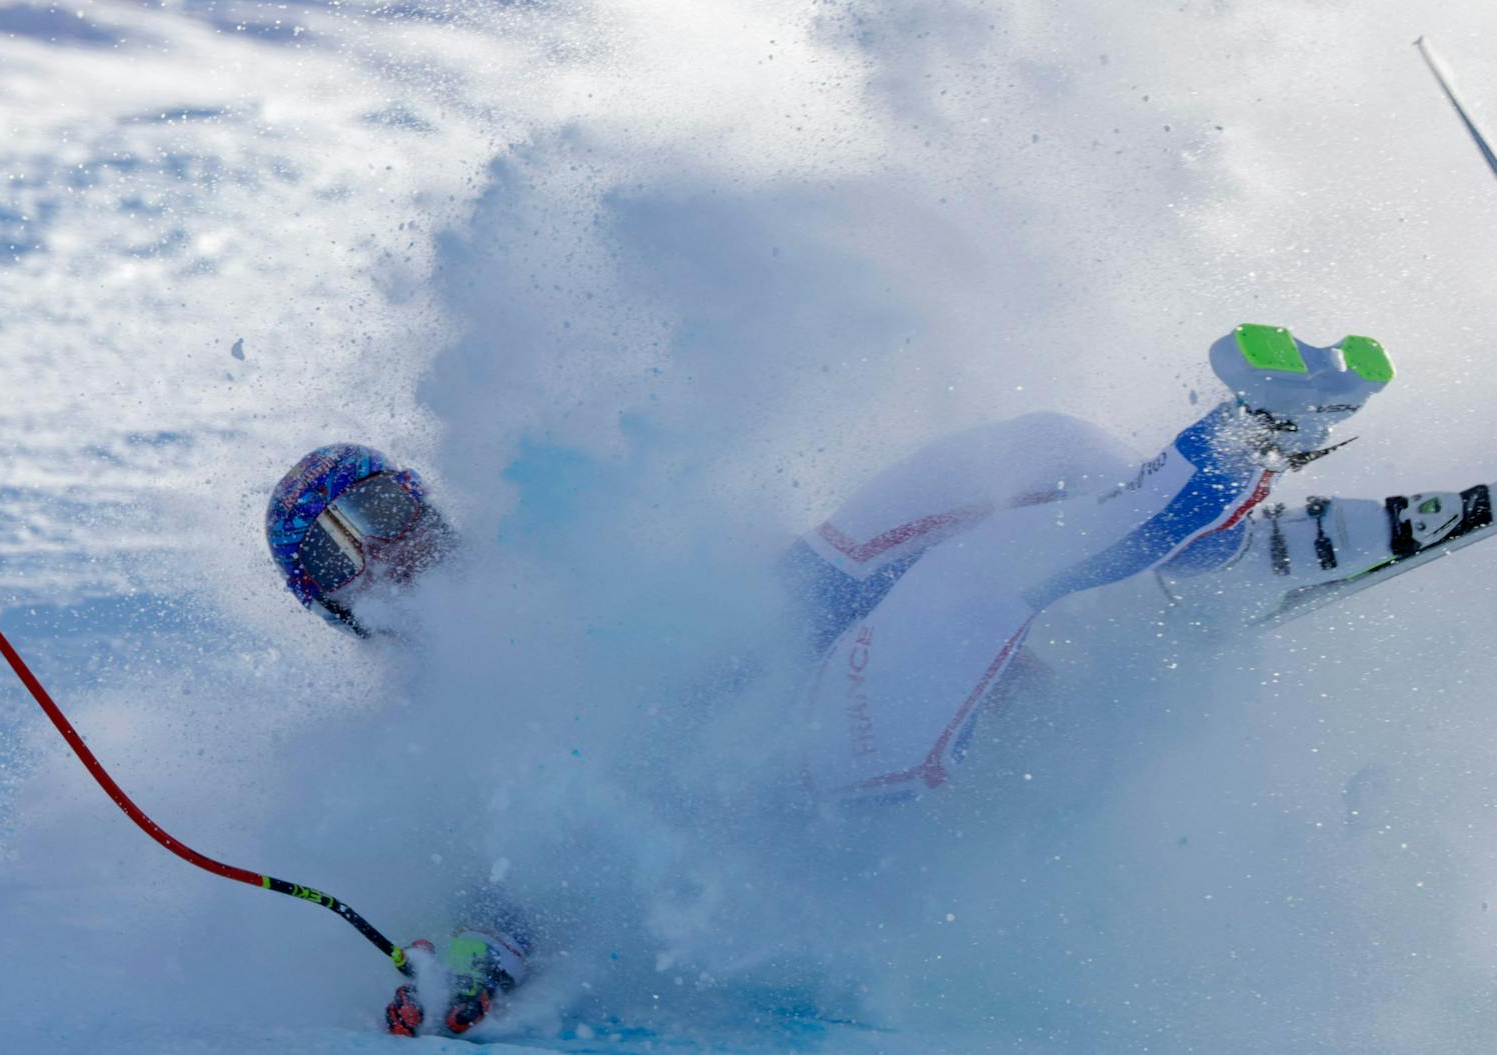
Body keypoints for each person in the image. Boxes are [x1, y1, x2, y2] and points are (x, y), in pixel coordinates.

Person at [262, 324, 1495, 1034]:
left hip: (786, 646)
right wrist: (469, 961)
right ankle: (1236, 452)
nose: (383, 543)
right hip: (801, 793)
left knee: (1040, 450)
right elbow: (518, 886)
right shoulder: (436, 721)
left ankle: (1225, 556)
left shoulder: (546, 572)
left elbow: (711, 608)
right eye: (340, 545)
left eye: (381, 501)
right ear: (332, 600)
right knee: (970, 586)